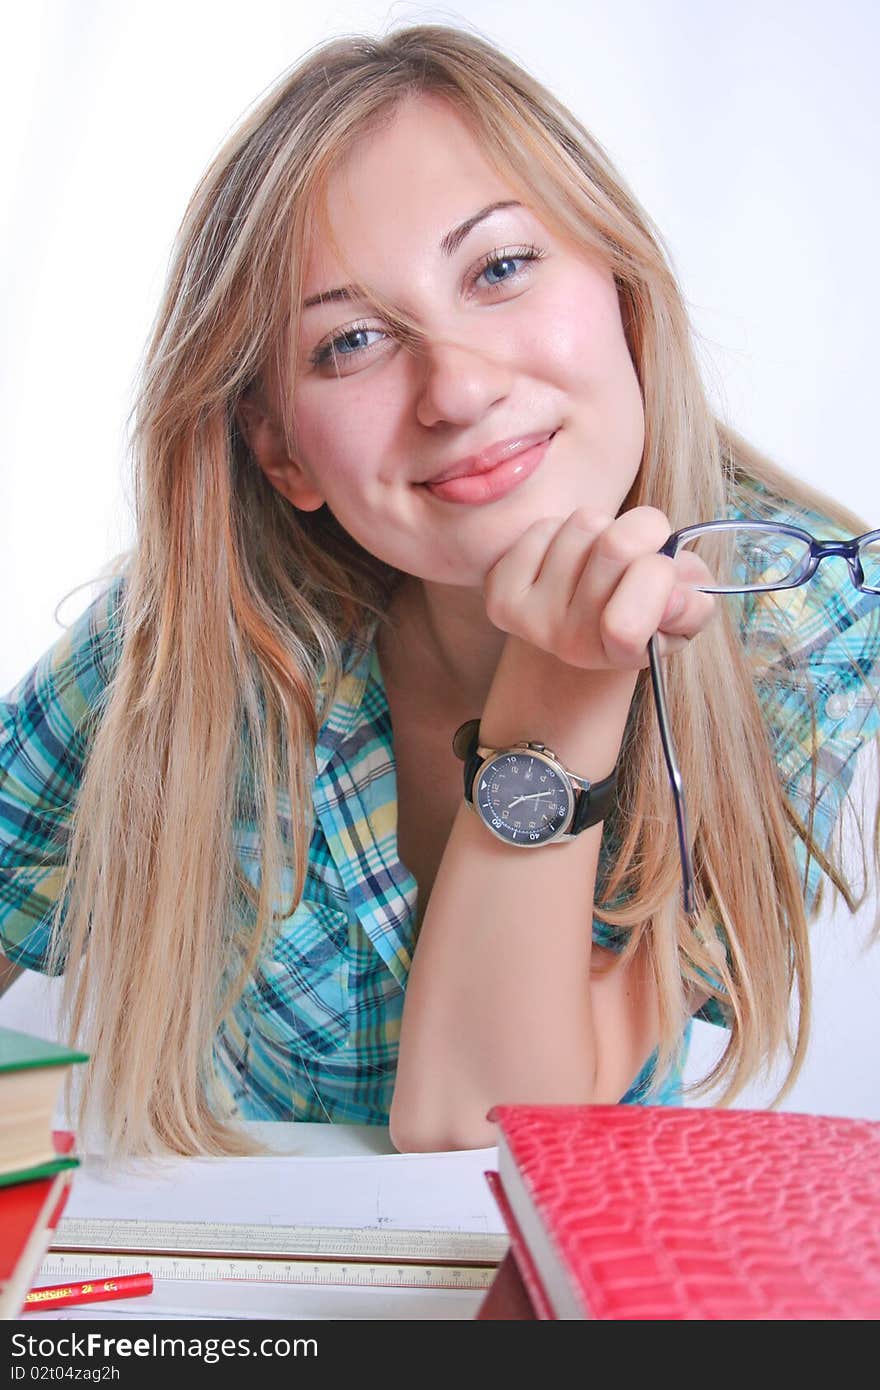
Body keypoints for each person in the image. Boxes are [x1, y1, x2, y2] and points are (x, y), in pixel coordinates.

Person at [1, 24, 878, 1158]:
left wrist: (561, 698)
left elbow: (485, 1128)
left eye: (499, 270)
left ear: (621, 288)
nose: (456, 387)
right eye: (352, 341)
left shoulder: (795, 618)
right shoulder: (195, 630)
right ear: (281, 454)